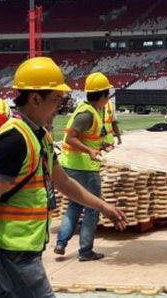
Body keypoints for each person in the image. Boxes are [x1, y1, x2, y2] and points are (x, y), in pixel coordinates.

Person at [0, 58, 127, 296]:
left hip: (23, 245)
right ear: (35, 98)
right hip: (13, 250)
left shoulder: (40, 136)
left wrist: (103, 206)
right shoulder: (13, 140)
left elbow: (64, 182)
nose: (59, 106)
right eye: (55, 100)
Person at [54, 72, 114, 260]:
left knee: (74, 204)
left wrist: (98, 145)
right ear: (103, 95)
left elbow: (85, 137)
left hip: (72, 165)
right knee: (92, 208)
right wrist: (89, 151)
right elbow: (70, 137)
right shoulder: (87, 114)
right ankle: (86, 250)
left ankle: (61, 243)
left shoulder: (90, 110)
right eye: (107, 94)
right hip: (84, 168)